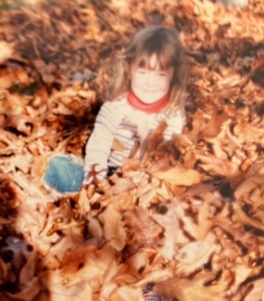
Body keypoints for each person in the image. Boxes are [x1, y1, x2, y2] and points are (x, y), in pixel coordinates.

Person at [44, 26, 188, 194]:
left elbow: (162, 161)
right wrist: (95, 181)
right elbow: (99, 144)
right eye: (143, 72)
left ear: (173, 77)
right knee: (60, 166)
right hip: (109, 173)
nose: (150, 82)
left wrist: (145, 135)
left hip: (145, 182)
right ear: (129, 71)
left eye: (161, 75)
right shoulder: (115, 107)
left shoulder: (172, 115)